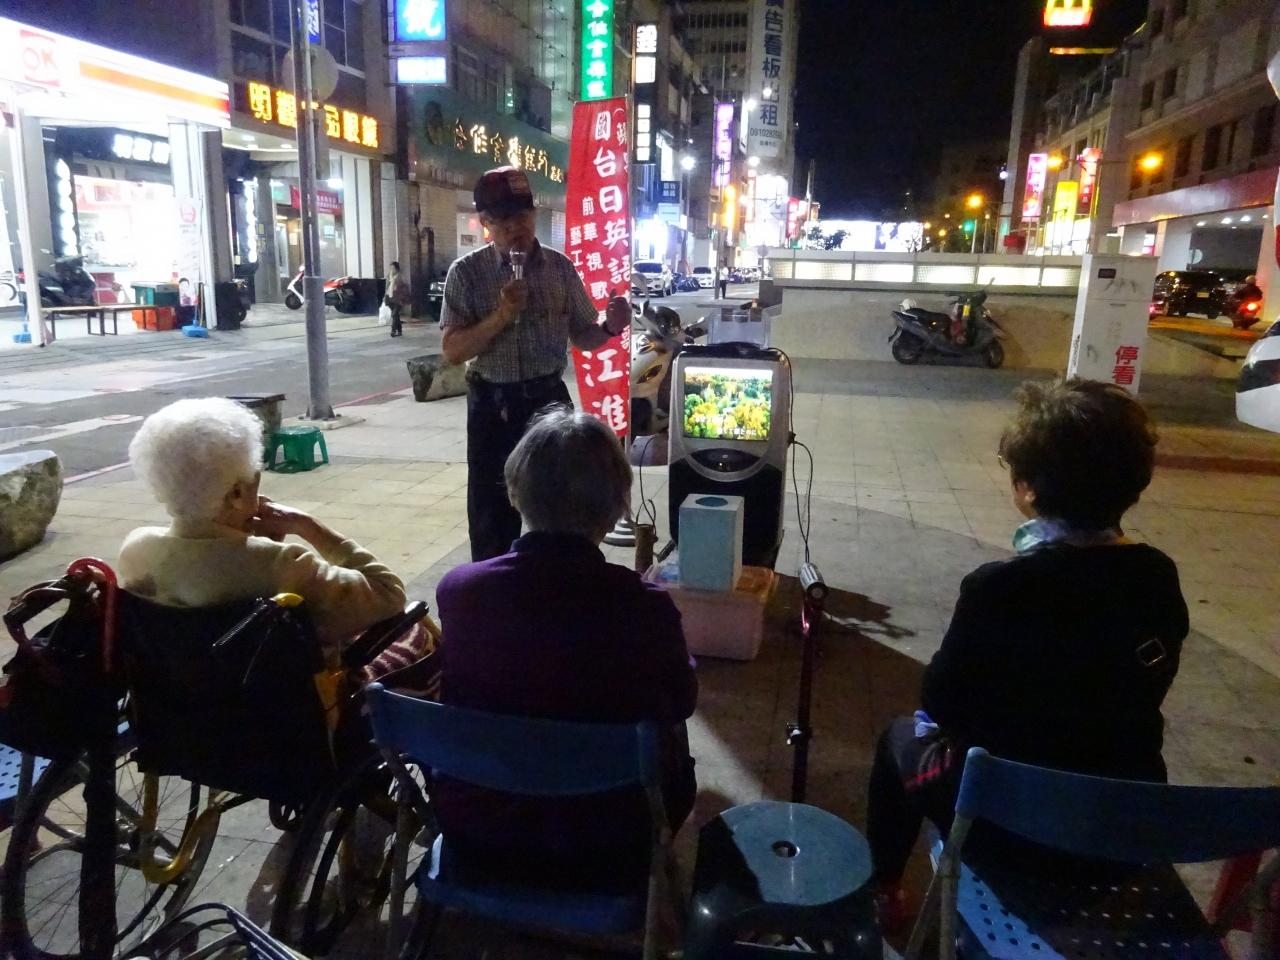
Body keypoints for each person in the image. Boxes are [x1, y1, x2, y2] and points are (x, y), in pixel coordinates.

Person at [865, 378, 1189, 923]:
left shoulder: (999, 587)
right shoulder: (1157, 575)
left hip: (1004, 829)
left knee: (898, 739)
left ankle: (886, 890)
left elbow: (941, 701)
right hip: (1117, 829)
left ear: (1030, 490)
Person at [433, 408, 698, 889]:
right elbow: (681, 700)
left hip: (481, 828)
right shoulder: (644, 607)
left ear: (516, 493)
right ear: (614, 508)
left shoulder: (460, 591)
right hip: (610, 842)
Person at [119, 398, 410, 662]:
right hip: (284, 702)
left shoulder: (135, 551)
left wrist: (254, 543)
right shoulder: (283, 565)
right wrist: (309, 526)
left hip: (176, 698)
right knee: (416, 633)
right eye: (254, 482)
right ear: (236, 493)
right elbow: (389, 594)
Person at [440, 166, 631, 561]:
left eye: (523, 214)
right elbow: (453, 350)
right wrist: (502, 315)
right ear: (485, 222)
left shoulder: (560, 268)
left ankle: (559, 584)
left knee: (565, 507)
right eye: (504, 218)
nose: (517, 226)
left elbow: (583, 335)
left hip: (548, 401)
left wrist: (610, 327)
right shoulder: (467, 273)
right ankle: (495, 587)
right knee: (492, 516)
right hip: (493, 407)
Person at [385, 260, 410, 338]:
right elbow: (387, 287)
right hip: (390, 297)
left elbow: (404, 286)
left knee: (394, 314)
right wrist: (385, 296)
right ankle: (399, 330)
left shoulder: (400, 276)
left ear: (397, 269)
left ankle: (393, 331)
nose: (391, 270)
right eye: (390, 268)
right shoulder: (389, 276)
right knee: (395, 315)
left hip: (398, 298)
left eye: (393, 268)